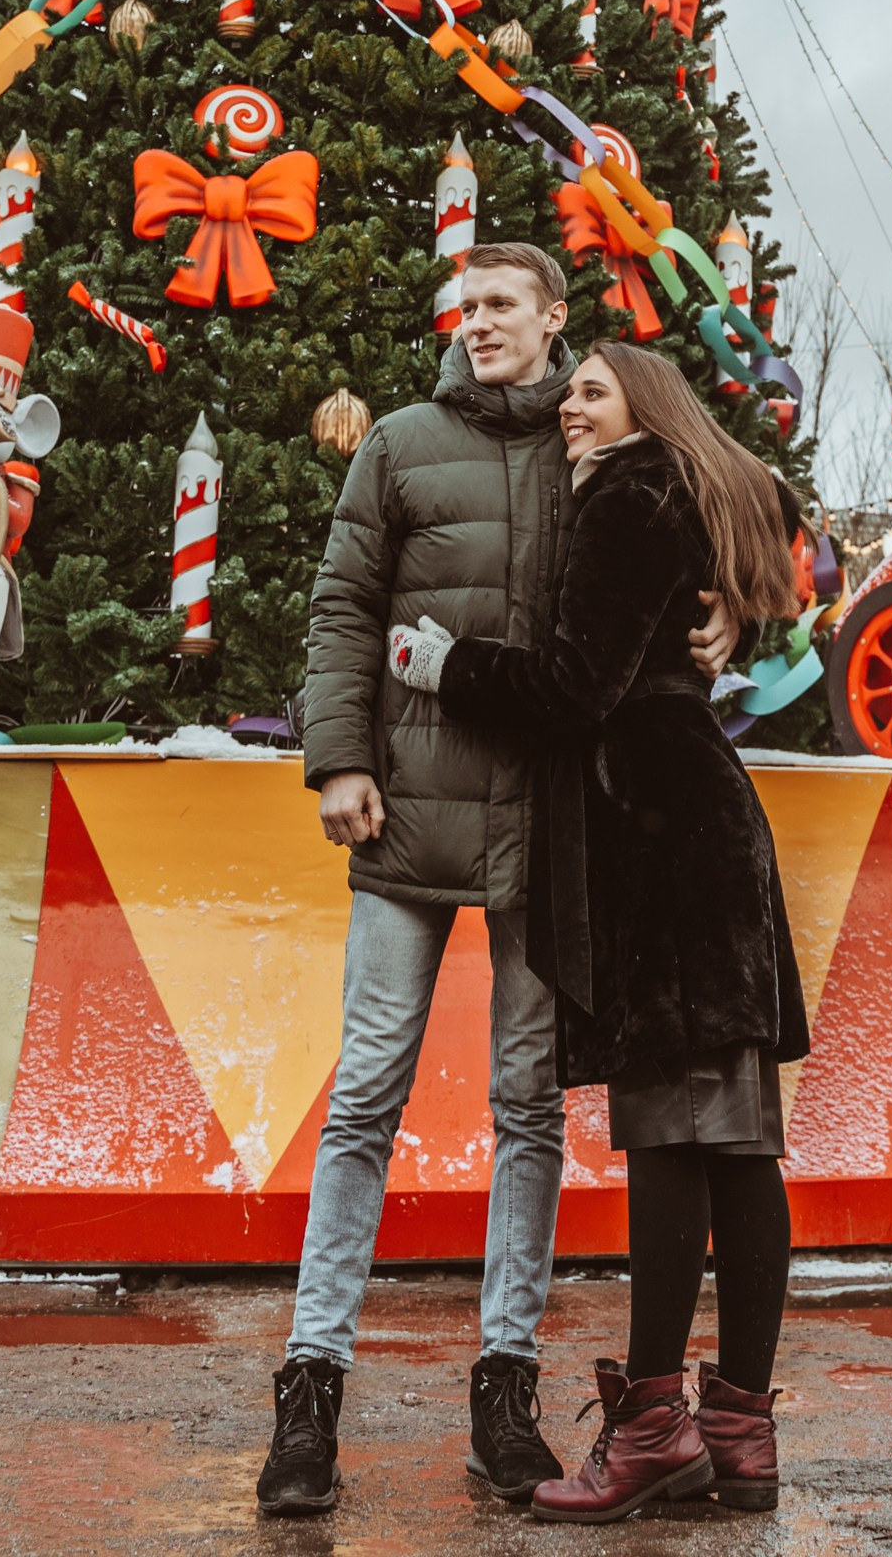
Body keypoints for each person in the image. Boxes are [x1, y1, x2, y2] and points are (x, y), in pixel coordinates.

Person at [257, 249, 739, 1518]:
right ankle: (309, 1393)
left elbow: (740, 498)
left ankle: (503, 1391)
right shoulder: (403, 443)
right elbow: (343, 605)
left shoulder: (597, 448)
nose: (476, 325)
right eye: (463, 309)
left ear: (549, 322)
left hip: (546, 827)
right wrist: (339, 762)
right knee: (366, 1092)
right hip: (404, 814)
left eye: (499, 307)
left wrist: (732, 603)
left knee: (527, 1108)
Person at [389, 339, 809, 1522]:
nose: (568, 405)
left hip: (659, 840)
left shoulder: (629, 496)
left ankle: (653, 1434)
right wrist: (739, 593)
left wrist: (444, 663)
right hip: (699, 827)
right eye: (566, 389)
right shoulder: (678, 483)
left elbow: (575, 688)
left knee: (676, 1137)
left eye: (588, 387)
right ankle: (738, 1436)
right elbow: (778, 497)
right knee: (732, 1145)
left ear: (644, 401)